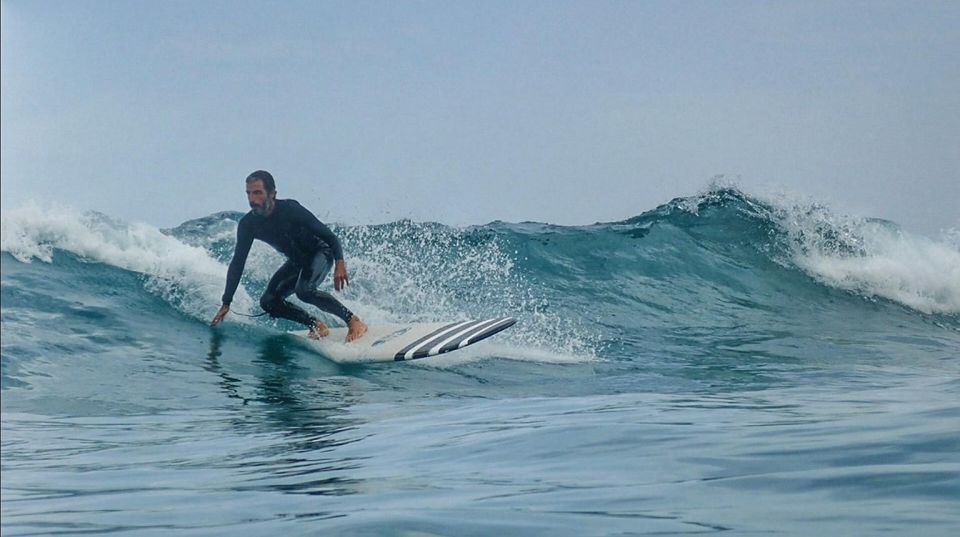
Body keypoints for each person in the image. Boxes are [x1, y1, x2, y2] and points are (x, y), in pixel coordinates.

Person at [210, 170, 367, 342]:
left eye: (257, 193)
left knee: (305, 291)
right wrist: (227, 301)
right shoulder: (248, 224)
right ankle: (315, 324)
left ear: (272, 194)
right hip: (297, 261)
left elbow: (330, 236)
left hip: (320, 252)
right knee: (268, 301)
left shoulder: (290, 209)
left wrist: (339, 262)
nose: (252, 200)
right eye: (248, 193)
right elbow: (237, 263)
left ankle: (353, 320)